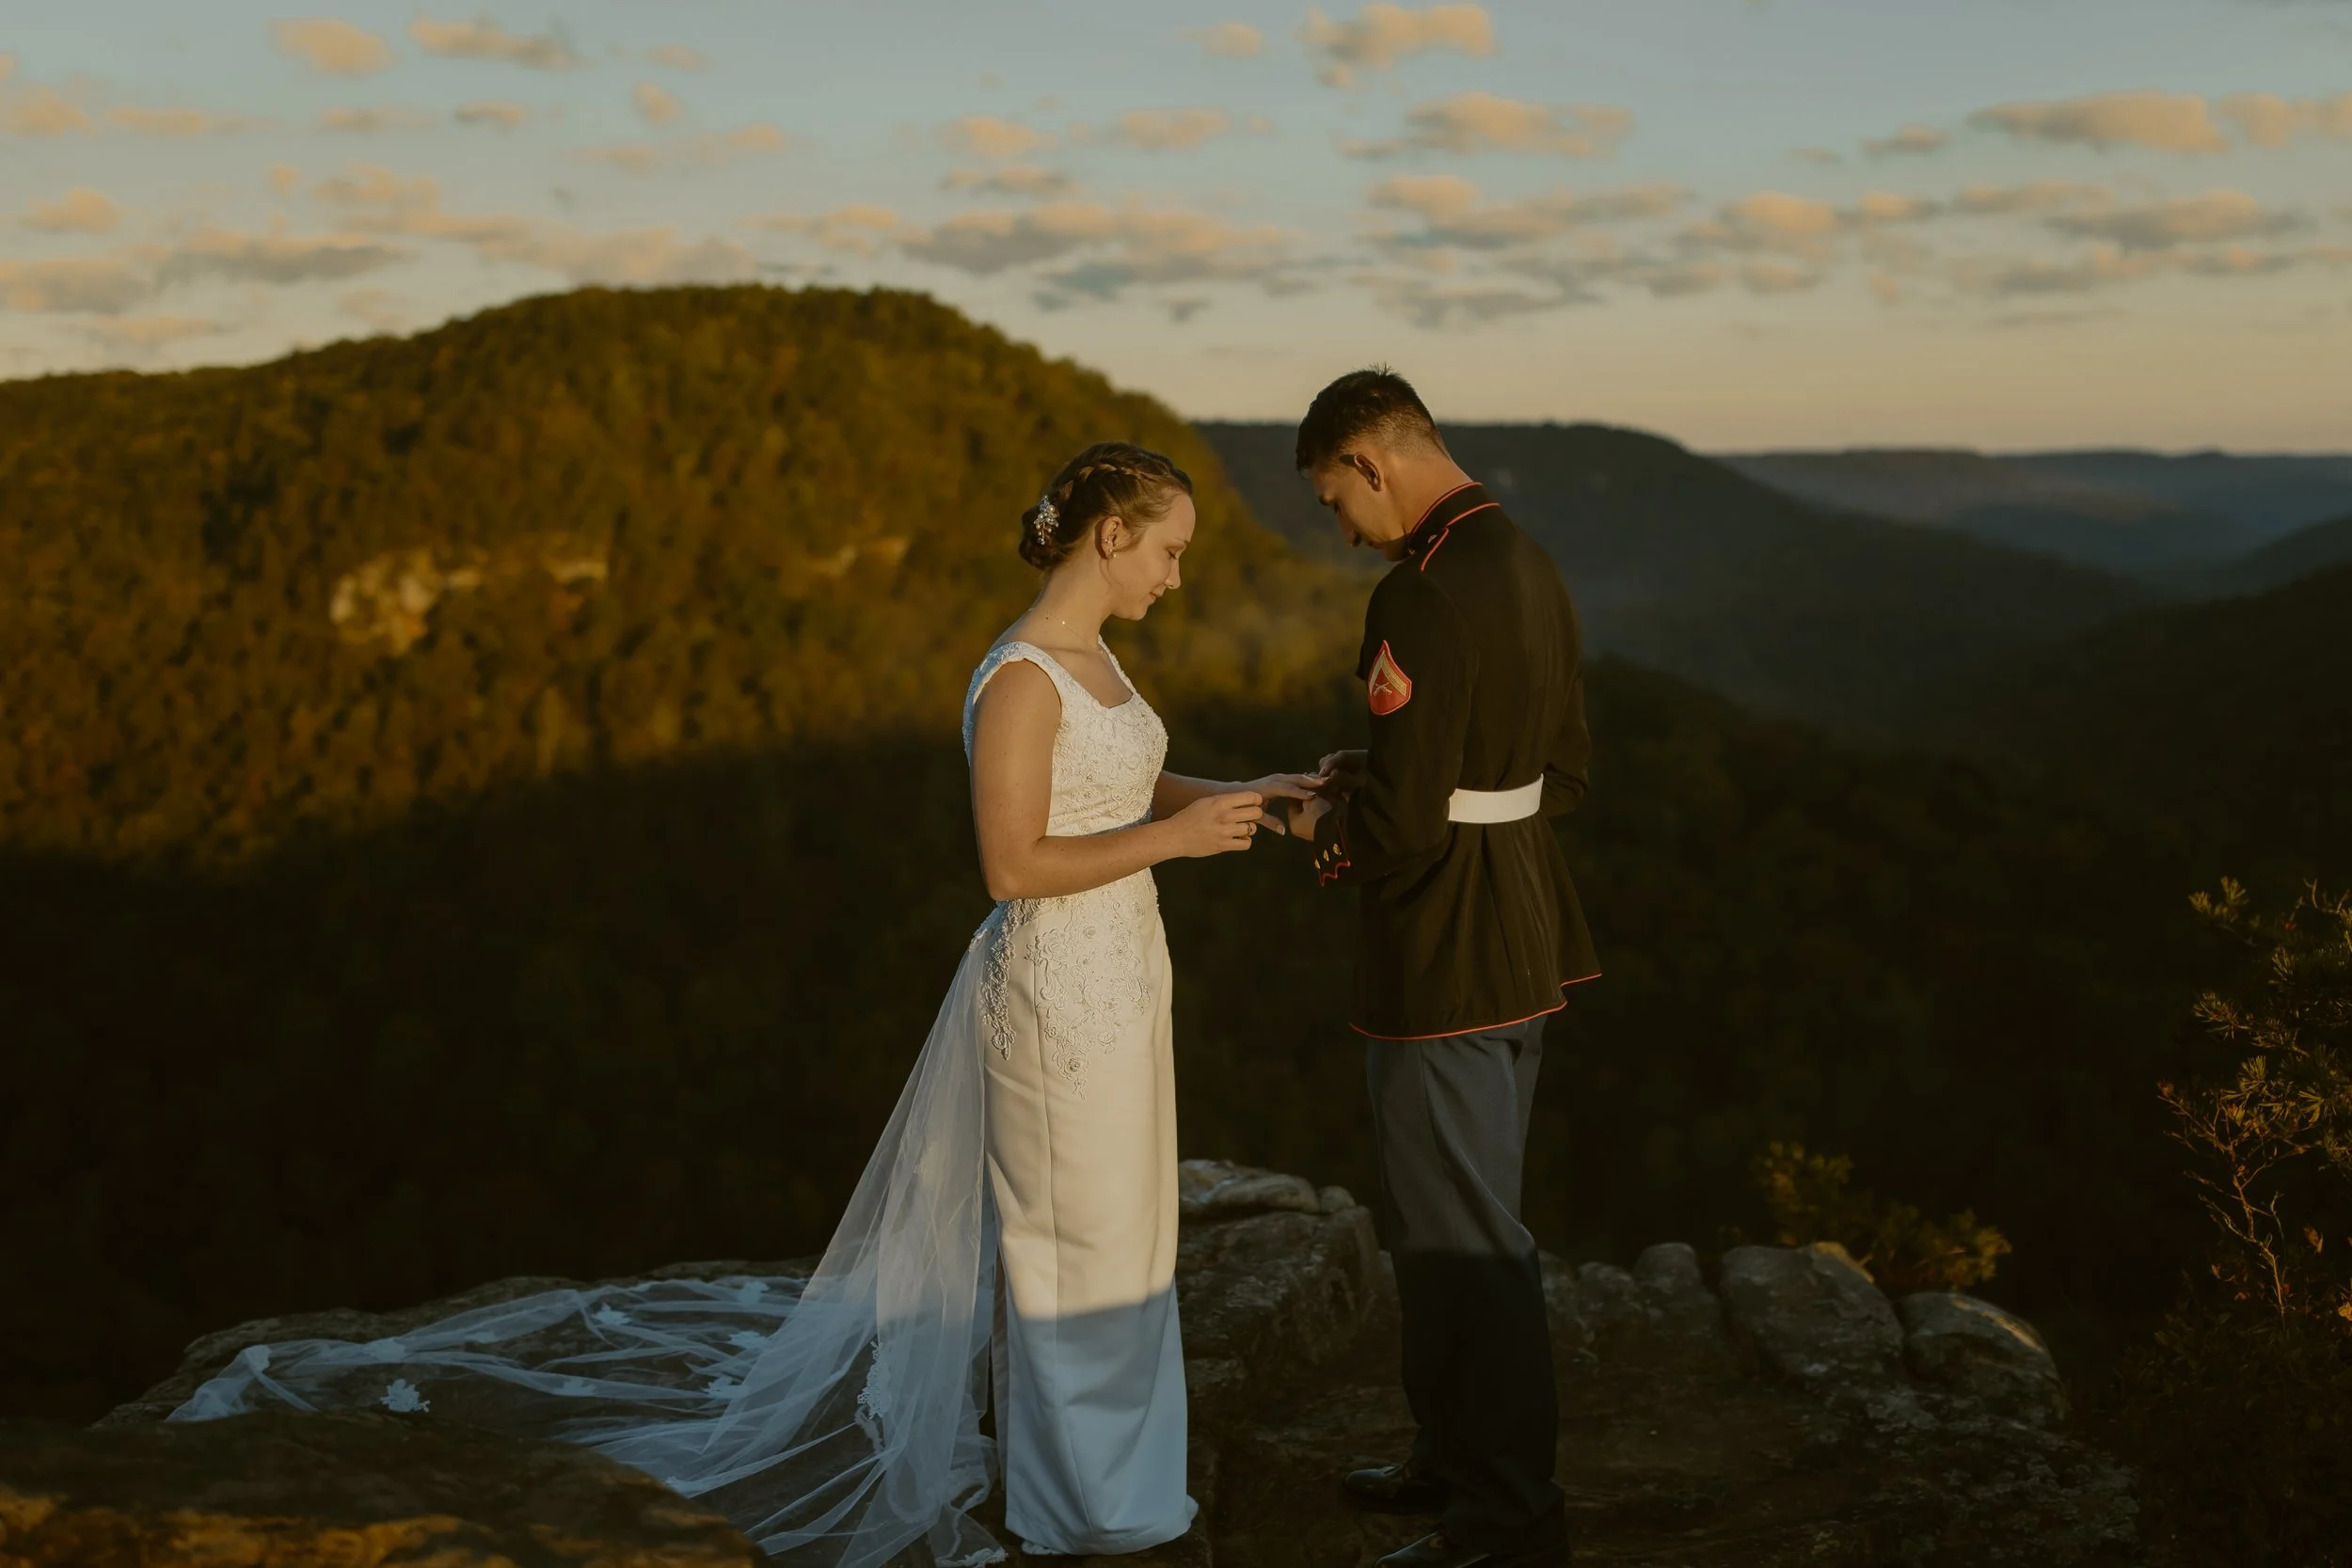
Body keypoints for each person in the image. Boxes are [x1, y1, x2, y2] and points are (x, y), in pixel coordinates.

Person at [167, 440, 1322, 1568]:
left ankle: (1110, 1478)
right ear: (1112, 537)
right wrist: (1175, 840)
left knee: (1124, 1226)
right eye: (1168, 550)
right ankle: (1087, 1508)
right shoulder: (1021, 672)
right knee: (1069, 1236)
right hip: (1057, 986)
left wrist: (1243, 793)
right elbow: (1010, 862)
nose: (1176, 574)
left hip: (1124, 970)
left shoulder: (1098, 660)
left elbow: (1118, 775)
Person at [1286, 369, 1599, 1568]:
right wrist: (1384, 775)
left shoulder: (1414, 599)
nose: (1341, 526)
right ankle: (1452, 1458)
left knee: (1466, 1242)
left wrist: (1323, 823)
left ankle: (1506, 1521)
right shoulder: (1528, 560)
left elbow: (1407, 832)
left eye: (1330, 500)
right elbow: (1557, 775)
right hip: (1526, 929)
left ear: (1370, 462)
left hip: (1442, 958)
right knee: (1449, 1223)